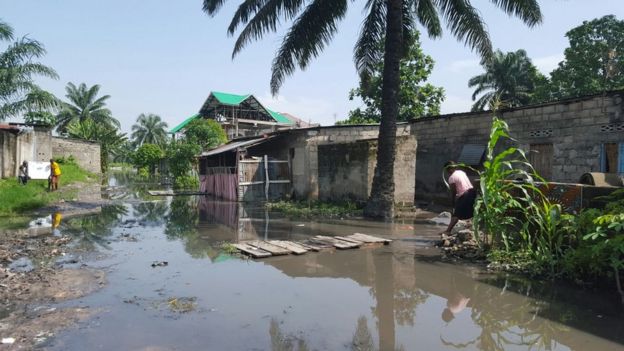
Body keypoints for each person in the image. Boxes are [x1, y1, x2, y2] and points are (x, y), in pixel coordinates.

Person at [441, 161, 477, 236]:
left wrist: (453, 203)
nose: (448, 172)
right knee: (470, 213)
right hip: (472, 192)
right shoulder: (461, 172)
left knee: (456, 214)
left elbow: (453, 192)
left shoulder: (451, 178)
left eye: (448, 170)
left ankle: (448, 231)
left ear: (449, 169)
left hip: (465, 195)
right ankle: (471, 229)